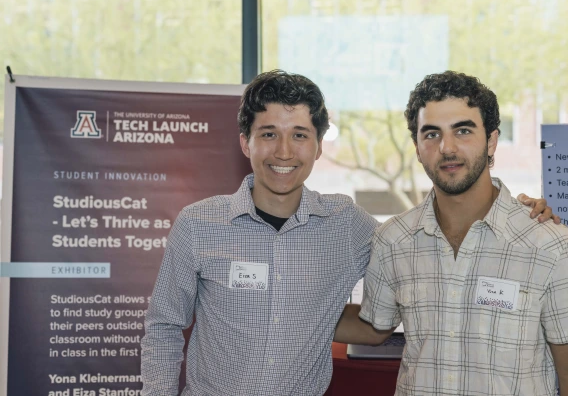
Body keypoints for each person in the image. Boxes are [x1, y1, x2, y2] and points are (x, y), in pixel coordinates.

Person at [141, 69, 555, 395]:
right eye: (269, 134)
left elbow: (413, 253)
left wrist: (525, 213)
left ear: (318, 146)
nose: (284, 151)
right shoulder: (198, 225)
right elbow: (162, 328)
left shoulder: (349, 225)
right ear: (246, 143)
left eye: (299, 135)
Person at [344, 70, 568, 395]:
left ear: (491, 140)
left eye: (463, 130)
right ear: (418, 146)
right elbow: (375, 326)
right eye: (431, 134)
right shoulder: (393, 239)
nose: (447, 147)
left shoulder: (548, 245)